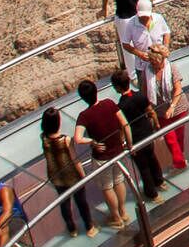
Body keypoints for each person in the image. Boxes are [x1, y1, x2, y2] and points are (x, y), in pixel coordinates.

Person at [80, 81, 133, 226]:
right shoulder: (109, 103)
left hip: (102, 158)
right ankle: (123, 212)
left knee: (107, 186)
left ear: (83, 98)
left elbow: (78, 138)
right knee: (119, 181)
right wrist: (129, 144)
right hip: (118, 152)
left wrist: (91, 142)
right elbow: (125, 124)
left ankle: (116, 218)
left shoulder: (84, 115)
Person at [42, 99, 92, 237]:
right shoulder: (65, 140)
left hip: (56, 177)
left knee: (64, 204)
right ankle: (89, 227)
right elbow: (75, 159)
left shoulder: (44, 139)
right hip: (72, 176)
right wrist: (83, 175)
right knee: (81, 202)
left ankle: (72, 229)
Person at [118, 0, 170, 102]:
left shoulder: (158, 18)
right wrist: (140, 54)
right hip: (142, 65)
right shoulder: (131, 24)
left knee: (165, 85)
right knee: (145, 92)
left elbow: (166, 32)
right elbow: (125, 44)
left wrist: (165, 47)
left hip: (160, 61)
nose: (143, 18)